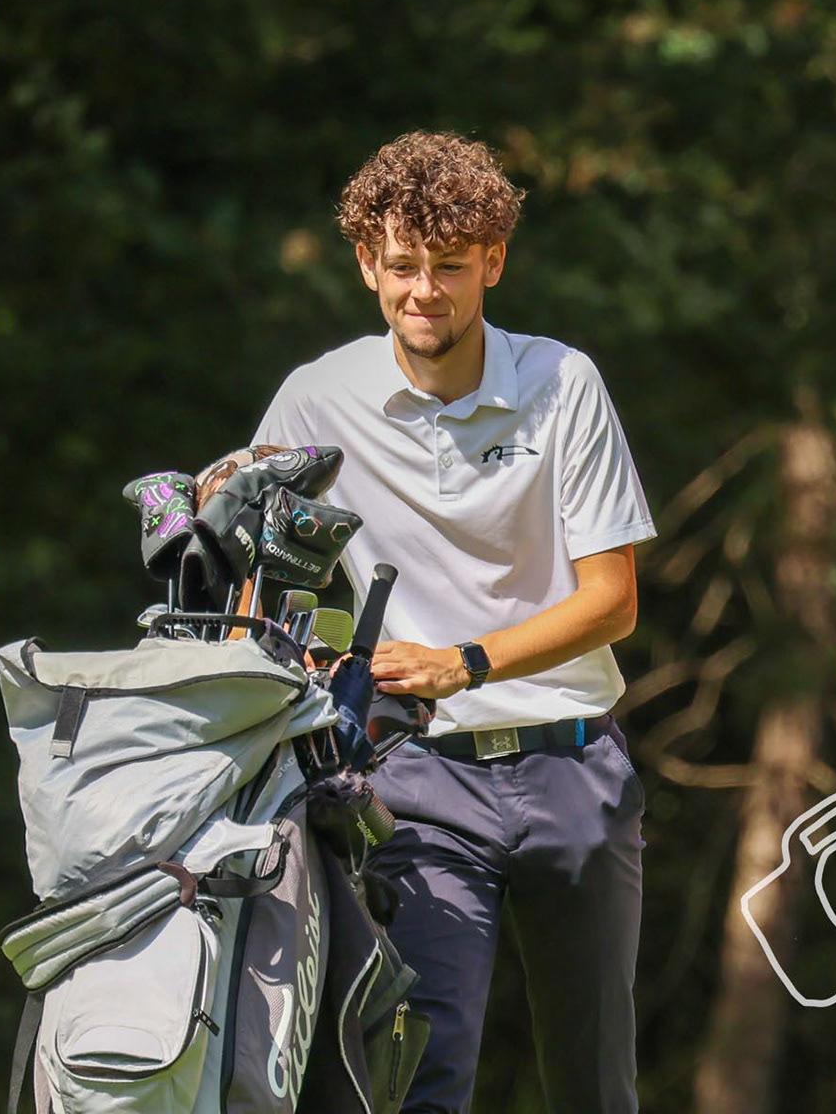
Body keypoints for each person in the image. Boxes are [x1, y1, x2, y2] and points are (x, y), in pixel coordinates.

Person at [254, 131, 656, 1113]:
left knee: (595, 1087)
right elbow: (252, 571)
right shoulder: (319, 397)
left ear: (493, 262)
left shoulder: (565, 383)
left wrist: (463, 660)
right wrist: (292, 645)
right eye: (401, 266)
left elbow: (614, 598)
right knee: (418, 1081)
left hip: (575, 767)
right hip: (418, 780)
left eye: (447, 266)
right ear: (367, 266)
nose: (423, 290)